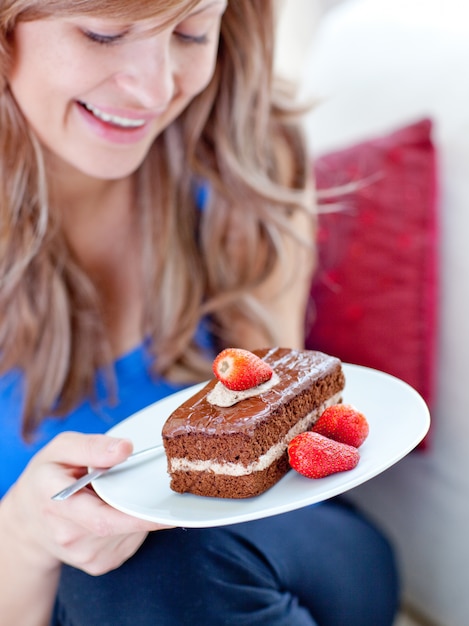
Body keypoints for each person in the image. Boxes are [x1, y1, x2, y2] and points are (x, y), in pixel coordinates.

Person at [0, 1, 399, 624]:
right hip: (55, 597)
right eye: (104, 35)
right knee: (105, 582)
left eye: (192, 33)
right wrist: (25, 536)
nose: (155, 88)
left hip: (273, 549)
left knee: (151, 574)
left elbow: (286, 438)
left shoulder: (239, 157)